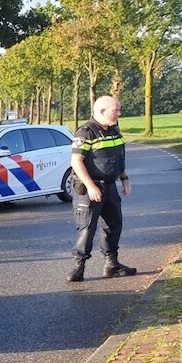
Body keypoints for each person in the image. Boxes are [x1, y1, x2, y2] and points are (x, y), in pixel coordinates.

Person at [68, 95, 137, 282]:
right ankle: (78, 268)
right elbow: (76, 161)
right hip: (88, 188)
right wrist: (91, 186)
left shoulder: (114, 130)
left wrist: (124, 178)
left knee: (114, 225)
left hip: (109, 186)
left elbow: (117, 157)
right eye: (116, 111)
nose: (119, 114)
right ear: (102, 111)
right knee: (87, 228)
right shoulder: (85, 132)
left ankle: (111, 264)